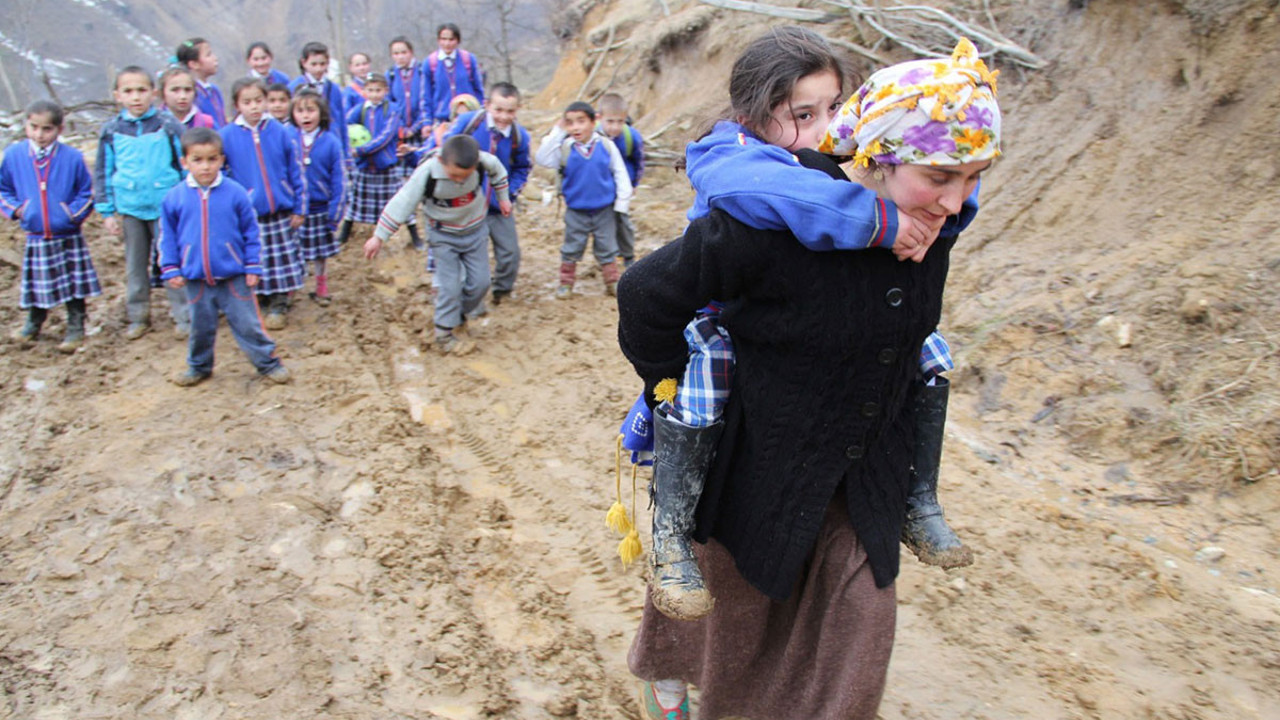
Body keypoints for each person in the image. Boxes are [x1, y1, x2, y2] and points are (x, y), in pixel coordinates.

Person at [617, 35, 1001, 720]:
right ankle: (669, 674)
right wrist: (668, 388)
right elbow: (648, 295)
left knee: (862, 613)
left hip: (861, 476)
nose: (955, 201)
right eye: (940, 178)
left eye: (972, 179)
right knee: (731, 594)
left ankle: (918, 501)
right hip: (759, 459)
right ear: (879, 155)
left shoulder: (932, 228)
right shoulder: (764, 216)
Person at [159, 127, 291, 387]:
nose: (205, 167)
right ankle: (198, 367)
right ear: (185, 162)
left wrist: (252, 265)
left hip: (234, 275)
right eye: (197, 160)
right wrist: (171, 267)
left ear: (221, 160)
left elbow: (251, 232)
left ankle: (268, 363)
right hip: (196, 276)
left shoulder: (236, 193)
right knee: (200, 327)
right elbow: (168, 237)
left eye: (212, 159)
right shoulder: (174, 198)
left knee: (248, 323)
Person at [363, 134, 510, 354]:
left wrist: (504, 197)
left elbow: (498, 171)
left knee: (481, 282)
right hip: (443, 237)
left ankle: (458, 315)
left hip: (475, 231)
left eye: (465, 177)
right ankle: (443, 334)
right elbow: (403, 201)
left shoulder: (482, 161)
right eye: (454, 176)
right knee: (449, 286)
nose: (459, 181)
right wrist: (379, 236)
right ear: (442, 161)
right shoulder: (427, 172)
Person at [94, 65, 190, 340]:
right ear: (117, 96)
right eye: (128, 91)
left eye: (141, 90)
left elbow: (184, 164)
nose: (136, 97)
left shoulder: (167, 125)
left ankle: (184, 316)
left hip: (166, 207)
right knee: (135, 264)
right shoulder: (112, 131)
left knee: (172, 261)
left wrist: (187, 199)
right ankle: (138, 316)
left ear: (154, 93)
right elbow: (103, 171)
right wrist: (107, 210)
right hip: (131, 208)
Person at [1, 100, 100, 353]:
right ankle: (34, 323)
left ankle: (76, 325)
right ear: (26, 125)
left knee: (74, 283)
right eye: (34, 127)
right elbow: (4, 189)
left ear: (60, 129)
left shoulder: (72, 158)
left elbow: (86, 192)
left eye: (47, 129)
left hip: (67, 233)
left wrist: (71, 215)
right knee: (38, 283)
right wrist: (18, 209)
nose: (40, 135)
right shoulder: (14, 156)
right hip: (36, 233)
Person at [218, 77, 307, 330]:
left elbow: (295, 170)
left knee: (281, 259)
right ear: (237, 105)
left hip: (280, 208)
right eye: (247, 102)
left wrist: (299, 206)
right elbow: (222, 174)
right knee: (257, 259)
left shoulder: (280, 131)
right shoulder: (227, 136)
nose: (254, 107)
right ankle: (261, 300)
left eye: (259, 100)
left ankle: (279, 303)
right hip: (249, 213)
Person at [534, 101, 632, 299]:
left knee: (607, 246)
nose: (576, 127)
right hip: (576, 210)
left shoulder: (606, 145)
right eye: (570, 123)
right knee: (572, 246)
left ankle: (612, 281)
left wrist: (622, 203)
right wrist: (558, 130)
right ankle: (566, 283)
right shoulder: (565, 149)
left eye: (581, 121)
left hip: (604, 209)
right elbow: (542, 158)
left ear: (593, 121)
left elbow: (620, 173)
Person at [445, 81, 531, 306]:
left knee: (510, 253)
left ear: (518, 109)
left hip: (498, 206)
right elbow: (446, 150)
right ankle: (471, 299)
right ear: (487, 105)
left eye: (510, 111)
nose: (504, 116)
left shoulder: (518, 137)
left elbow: (523, 167)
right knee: (473, 254)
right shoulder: (469, 123)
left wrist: (509, 193)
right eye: (499, 109)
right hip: (466, 205)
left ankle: (501, 291)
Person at [338, 73, 425, 250]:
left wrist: (360, 150)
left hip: (386, 165)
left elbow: (385, 137)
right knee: (355, 202)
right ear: (364, 91)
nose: (374, 94)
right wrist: (350, 144)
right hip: (365, 166)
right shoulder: (359, 110)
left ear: (385, 91)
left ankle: (415, 236)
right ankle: (343, 234)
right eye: (370, 90)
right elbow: (345, 126)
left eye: (378, 90)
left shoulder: (392, 110)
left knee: (401, 201)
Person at [290, 90, 345, 306]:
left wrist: (335, 212)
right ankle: (291, 288)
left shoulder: (330, 141)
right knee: (294, 252)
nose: (306, 116)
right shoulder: (288, 138)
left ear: (320, 113)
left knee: (320, 252)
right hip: (295, 210)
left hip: (320, 207)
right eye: (300, 110)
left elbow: (339, 179)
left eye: (310, 110)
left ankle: (321, 285)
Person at [597, 93, 644, 269]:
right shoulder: (592, 136)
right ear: (599, 118)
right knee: (603, 223)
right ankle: (606, 258)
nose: (615, 127)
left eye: (620, 121)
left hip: (621, 189)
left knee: (622, 221)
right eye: (610, 121)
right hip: (600, 188)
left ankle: (628, 254)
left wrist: (634, 184)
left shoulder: (631, 137)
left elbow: (638, 161)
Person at [422, 23, 485, 146]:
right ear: (438, 40)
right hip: (443, 119)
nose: (447, 43)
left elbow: (478, 89)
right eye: (443, 39)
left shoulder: (468, 59)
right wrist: (427, 122)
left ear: (458, 40)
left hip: (468, 118)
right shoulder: (430, 63)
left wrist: (481, 111)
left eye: (451, 39)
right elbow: (426, 96)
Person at [288, 42, 349, 160]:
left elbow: (341, 120)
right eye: (314, 64)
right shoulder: (294, 87)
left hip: (331, 144)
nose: (318, 68)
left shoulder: (333, 88)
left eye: (322, 64)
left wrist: (346, 153)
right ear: (304, 63)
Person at [177, 38, 225, 129]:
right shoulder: (191, 94)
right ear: (194, 64)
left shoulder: (214, 91)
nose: (215, 58)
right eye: (208, 55)